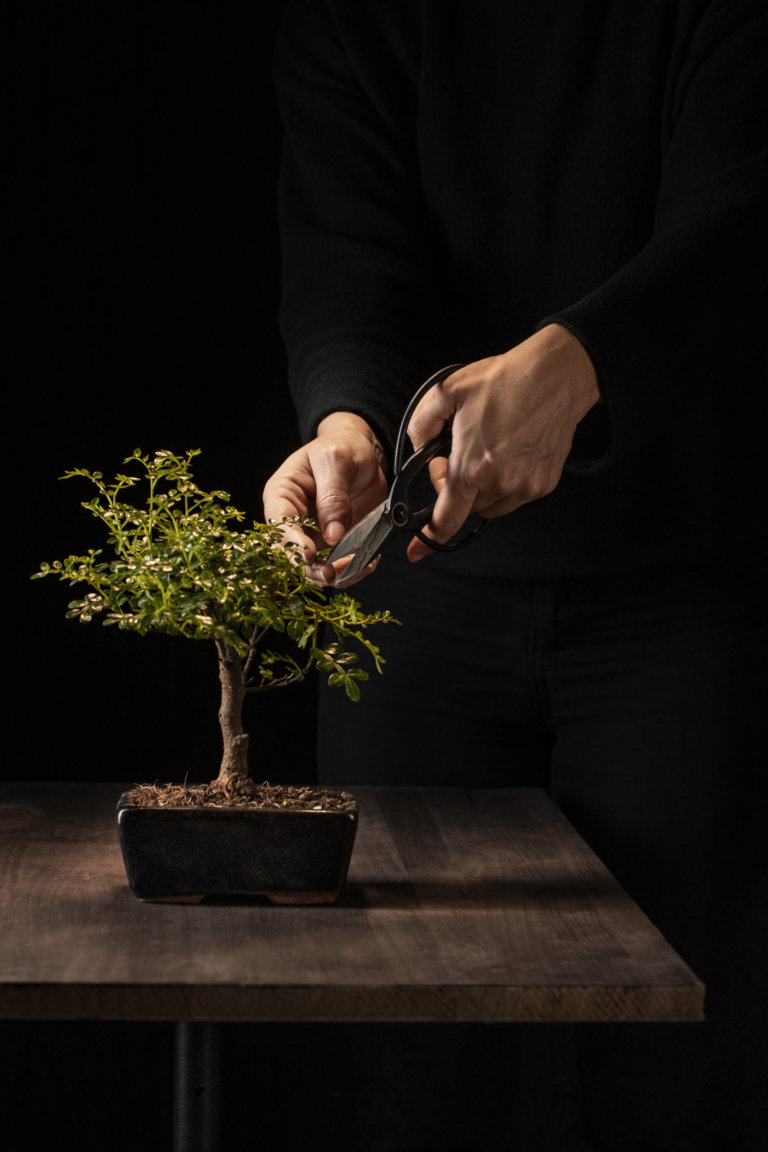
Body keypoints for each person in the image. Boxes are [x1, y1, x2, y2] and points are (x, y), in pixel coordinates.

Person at [263, 2, 767, 1149]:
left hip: (687, 582)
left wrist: (583, 360)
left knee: (680, 1074)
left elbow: (739, 216)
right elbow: (347, 252)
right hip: (422, 588)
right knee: (408, 1074)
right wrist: (344, 424)